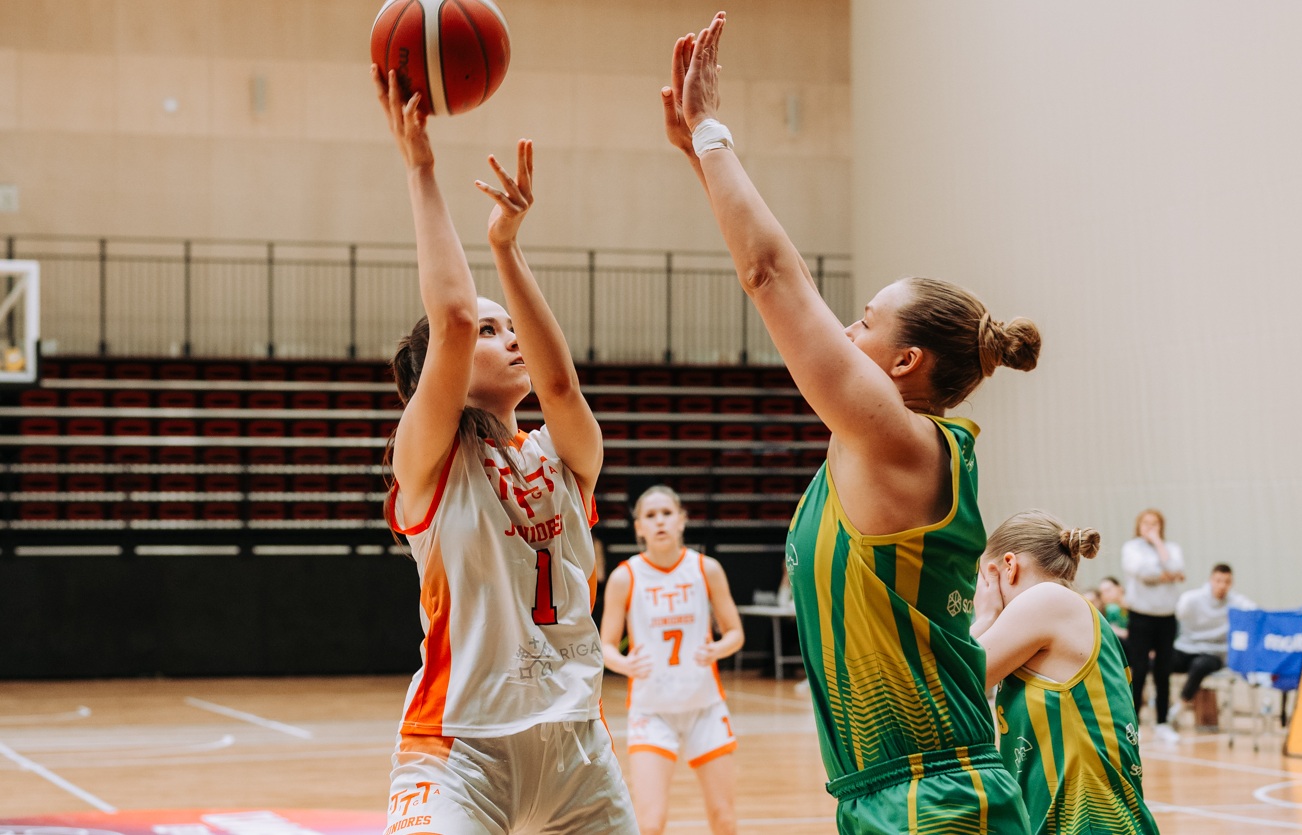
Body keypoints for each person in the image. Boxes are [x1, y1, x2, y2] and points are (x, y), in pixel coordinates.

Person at [663, 14, 1038, 831]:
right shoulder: (879, 446)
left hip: (935, 793)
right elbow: (771, 271)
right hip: (888, 792)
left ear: (904, 362)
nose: (841, 329)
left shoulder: (900, 442)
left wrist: (711, 133)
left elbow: (770, 274)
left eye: (864, 320)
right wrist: (700, 156)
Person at [372, 67, 636, 834]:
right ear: (442, 373)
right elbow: (452, 317)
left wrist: (506, 248)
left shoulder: (562, 453)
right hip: (460, 749)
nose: (507, 336)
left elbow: (559, 381)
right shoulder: (428, 461)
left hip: (577, 750)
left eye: (508, 325)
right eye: (492, 332)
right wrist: (421, 168)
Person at [972, 511, 1160, 835]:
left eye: (982, 580)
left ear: (1007, 566)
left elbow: (948, 683)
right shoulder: (1068, 609)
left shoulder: (1046, 600)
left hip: (1089, 823)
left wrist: (986, 617)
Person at [599, 485, 745, 835]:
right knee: (650, 824)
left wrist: (718, 648)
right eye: (650, 516)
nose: (660, 521)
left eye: (667, 513)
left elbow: (736, 633)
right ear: (639, 527)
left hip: (705, 707)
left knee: (724, 818)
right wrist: (624, 663)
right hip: (651, 711)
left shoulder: (706, 569)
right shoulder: (625, 576)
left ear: (682, 520)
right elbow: (604, 647)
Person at [1121, 509, 1185, 742]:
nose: (1150, 527)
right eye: (1146, 523)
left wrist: (1158, 544)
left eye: (1155, 523)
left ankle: (1162, 722)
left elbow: (1176, 567)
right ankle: (1134, 723)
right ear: (1138, 526)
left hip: (1166, 617)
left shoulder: (1171, 548)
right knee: (1138, 669)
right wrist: (1165, 575)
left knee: (1163, 671)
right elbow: (1142, 572)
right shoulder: (1131, 548)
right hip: (1141, 616)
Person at [1168, 563, 1254, 729]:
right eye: (1218, 580)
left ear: (1231, 583)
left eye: (1226, 582)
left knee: (1200, 666)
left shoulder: (1237, 603)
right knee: (1160, 663)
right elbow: (1174, 615)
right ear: (1210, 580)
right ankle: (1158, 709)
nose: (1222, 585)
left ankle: (1179, 707)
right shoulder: (1191, 599)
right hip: (1186, 647)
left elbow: (1254, 613)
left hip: (1214, 653)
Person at [1097, 576, 1130, 641]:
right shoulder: (1110, 610)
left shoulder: (1135, 606)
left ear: (1120, 588)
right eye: (1102, 593)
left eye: (1108, 590)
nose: (1105, 595)